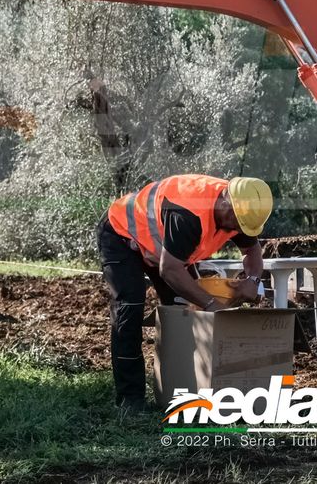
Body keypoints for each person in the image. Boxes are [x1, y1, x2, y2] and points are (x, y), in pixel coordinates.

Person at [97, 174, 272, 409]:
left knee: (184, 312)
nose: (240, 230)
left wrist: (252, 280)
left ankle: (183, 388)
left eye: (244, 226)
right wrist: (211, 305)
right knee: (130, 308)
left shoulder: (243, 210)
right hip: (122, 235)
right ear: (225, 201)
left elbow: (252, 251)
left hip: (165, 250)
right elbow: (170, 270)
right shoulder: (189, 214)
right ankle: (130, 399)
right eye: (238, 223)